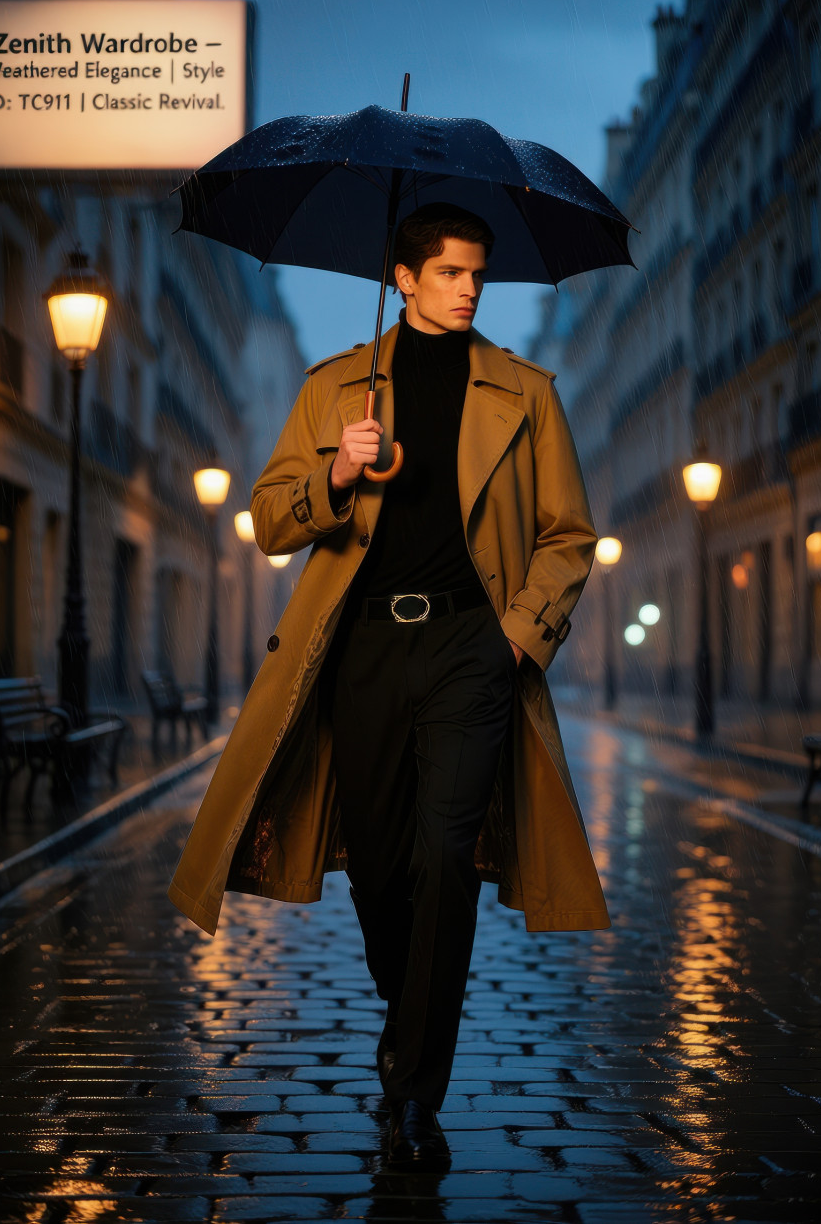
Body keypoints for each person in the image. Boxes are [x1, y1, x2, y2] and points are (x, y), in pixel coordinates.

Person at [166, 202, 610, 1169]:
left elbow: (567, 536)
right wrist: (336, 470)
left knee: (447, 855)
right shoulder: (336, 388)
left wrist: (515, 641)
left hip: (471, 651)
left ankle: (416, 1088)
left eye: (478, 275)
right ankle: (407, 1023)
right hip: (362, 651)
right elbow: (272, 520)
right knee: (377, 865)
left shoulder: (525, 392)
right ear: (403, 278)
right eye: (450, 273)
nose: (469, 289)